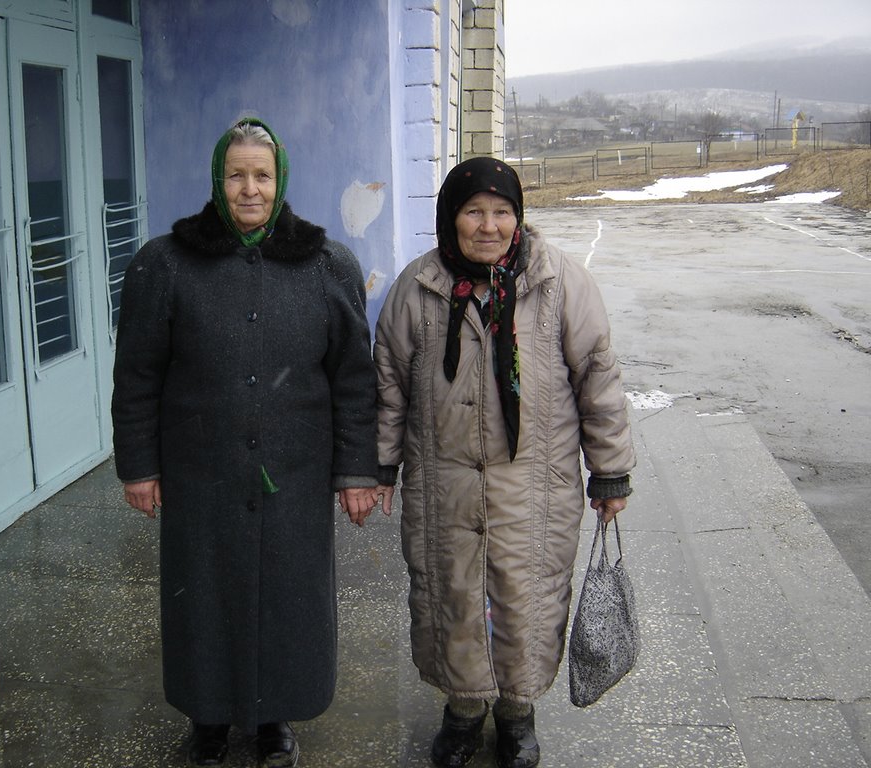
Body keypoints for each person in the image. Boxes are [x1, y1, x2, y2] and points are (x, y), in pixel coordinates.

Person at [111, 117, 379, 768]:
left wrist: (355, 472)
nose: (249, 189)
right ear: (217, 180)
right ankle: (208, 721)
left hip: (296, 476)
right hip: (200, 477)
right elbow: (138, 374)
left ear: (280, 179)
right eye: (236, 175)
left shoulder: (326, 265)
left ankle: (272, 723)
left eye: (261, 175)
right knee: (202, 601)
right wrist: (139, 467)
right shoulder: (165, 264)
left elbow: (353, 379)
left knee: (287, 602)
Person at [373, 157, 635, 768]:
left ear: (518, 218)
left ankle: (517, 714)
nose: (487, 226)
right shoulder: (418, 289)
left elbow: (599, 378)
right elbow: (387, 386)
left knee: (526, 597)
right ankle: (463, 711)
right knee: (454, 597)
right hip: (444, 489)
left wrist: (611, 471)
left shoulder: (560, 283)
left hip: (535, 489)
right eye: (472, 212)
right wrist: (379, 467)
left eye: (501, 212)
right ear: (449, 219)